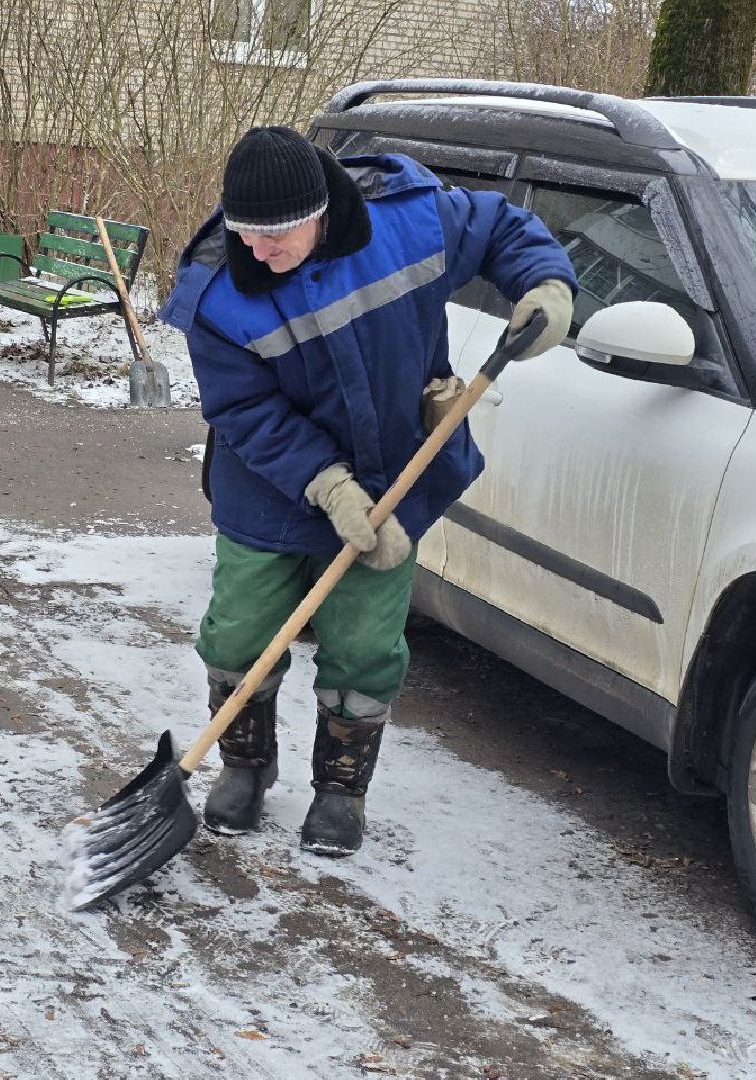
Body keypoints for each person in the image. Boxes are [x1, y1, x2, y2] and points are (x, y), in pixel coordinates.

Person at [159, 125, 578, 856]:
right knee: (238, 633)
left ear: (321, 209)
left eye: (276, 233)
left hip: (393, 480)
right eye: (244, 233)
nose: (257, 251)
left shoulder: (411, 223)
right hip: (268, 491)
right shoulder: (219, 295)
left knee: (365, 644)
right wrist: (327, 485)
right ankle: (246, 767)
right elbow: (244, 410)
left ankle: (341, 790)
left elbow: (502, 227)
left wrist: (543, 282)